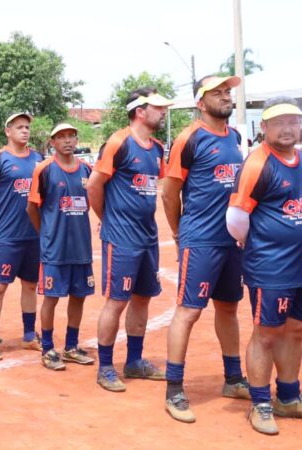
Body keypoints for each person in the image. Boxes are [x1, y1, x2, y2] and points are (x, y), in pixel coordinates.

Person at [161, 75, 249, 423]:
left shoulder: (236, 137)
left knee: (228, 309)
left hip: (231, 241)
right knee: (188, 311)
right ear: (201, 103)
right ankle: (174, 389)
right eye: (218, 93)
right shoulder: (189, 138)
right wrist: (180, 232)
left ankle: (233, 378)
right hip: (200, 240)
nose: (226, 97)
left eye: (228, 92)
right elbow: (170, 193)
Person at [87, 88, 172, 392]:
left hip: (147, 236)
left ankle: (134, 361)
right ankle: (106, 366)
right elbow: (95, 186)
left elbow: (158, 187)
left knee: (142, 297)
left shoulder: (157, 148)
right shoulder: (119, 142)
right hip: (121, 237)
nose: (163, 112)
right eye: (158, 108)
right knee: (117, 300)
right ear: (140, 111)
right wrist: (106, 218)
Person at [227, 97, 302, 435]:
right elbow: (236, 219)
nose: (287, 128)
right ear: (264, 128)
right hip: (270, 267)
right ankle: (260, 404)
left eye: (293, 121)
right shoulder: (257, 164)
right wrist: (259, 245)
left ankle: (288, 397)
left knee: (296, 330)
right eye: (279, 122)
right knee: (266, 334)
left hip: (299, 266)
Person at [27, 123, 96, 371]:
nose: (67, 141)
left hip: (81, 248)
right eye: (61, 137)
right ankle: (47, 348)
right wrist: (46, 232)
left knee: (79, 297)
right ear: (52, 142)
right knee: (52, 298)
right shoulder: (44, 170)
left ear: (77, 140)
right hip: (54, 249)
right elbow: (32, 208)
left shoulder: (88, 170)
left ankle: (71, 346)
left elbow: (92, 203)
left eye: (71, 136)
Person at [0, 112, 44, 361]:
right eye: (19, 127)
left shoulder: (38, 158)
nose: (24, 131)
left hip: (33, 235)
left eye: (27, 127)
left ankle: (28, 336)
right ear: (8, 131)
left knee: (30, 285)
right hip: (7, 236)